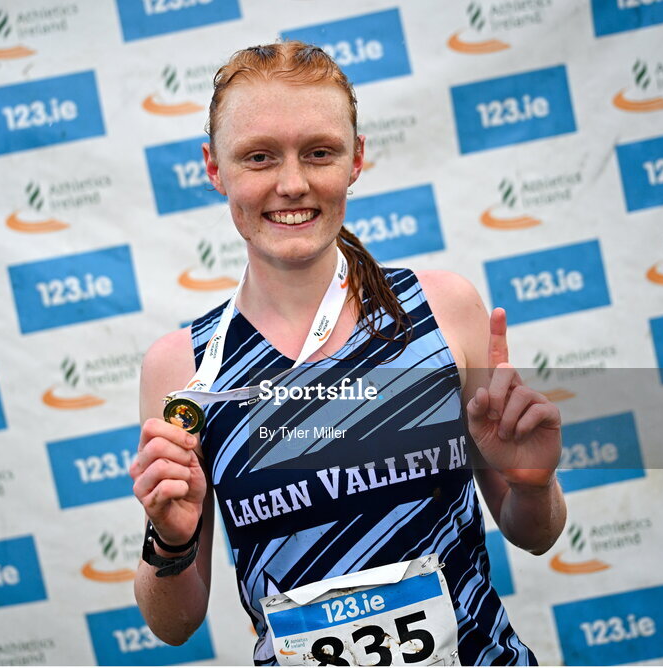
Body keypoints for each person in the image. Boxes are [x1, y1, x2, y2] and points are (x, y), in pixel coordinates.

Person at [129, 41, 566, 665]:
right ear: (214, 168)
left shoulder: (442, 309)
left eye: (319, 152)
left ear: (356, 159)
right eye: (258, 157)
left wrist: (533, 485)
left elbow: (536, 533)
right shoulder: (184, 369)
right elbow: (173, 625)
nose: (292, 183)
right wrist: (168, 543)